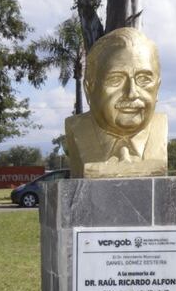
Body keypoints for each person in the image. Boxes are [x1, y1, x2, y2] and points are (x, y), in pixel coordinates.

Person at [65, 27, 168, 178]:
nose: (132, 93)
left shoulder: (160, 128)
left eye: (144, 79)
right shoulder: (77, 129)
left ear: (157, 88)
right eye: (116, 79)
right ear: (89, 89)